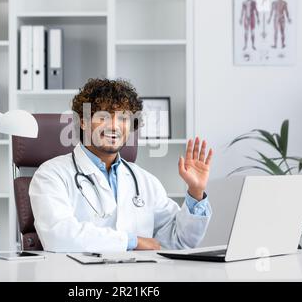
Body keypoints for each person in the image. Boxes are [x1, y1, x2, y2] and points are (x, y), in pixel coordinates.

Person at [29, 78, 214, 252]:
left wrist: (195, 192)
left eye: (123, 118)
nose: (114, 126)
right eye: (104, 117)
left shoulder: (144, 180)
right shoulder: (51, 174)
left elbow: (179, 241)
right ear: (84, 122)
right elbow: (58, 235)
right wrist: (131, 241)